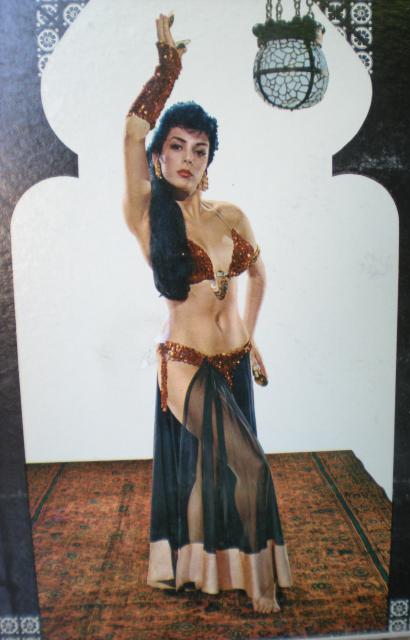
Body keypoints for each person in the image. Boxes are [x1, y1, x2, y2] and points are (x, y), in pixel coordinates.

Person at [123, 13, 291, 613]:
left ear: (210, 159)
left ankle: (196, 570)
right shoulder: (149, 216)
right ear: (159, 157)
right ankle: (262, 585)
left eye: (200, 150)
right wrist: (167, 69)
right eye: (176, 147)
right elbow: (131, 132)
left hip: (235, 359)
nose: (187, 159)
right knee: (251, 467)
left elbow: (258, 276)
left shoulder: (231, 217)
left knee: (206, 473)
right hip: (186, 364)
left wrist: (254, 337)